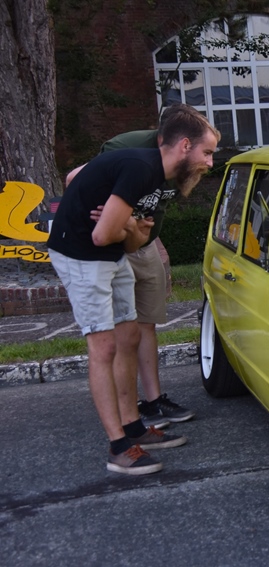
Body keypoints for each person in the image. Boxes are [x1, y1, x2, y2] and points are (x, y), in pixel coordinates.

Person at [47, 108, 220, 475]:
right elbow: (100, 235)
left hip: (113, 254)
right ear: (184, 145)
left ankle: (134, 426)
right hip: (80, 254)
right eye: (206, 153)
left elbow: (133, 241)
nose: (210, 162)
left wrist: (126, 226)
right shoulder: (140, 168)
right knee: (104, 347)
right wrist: (127, 225)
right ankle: (119, 447)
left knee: (128, 336)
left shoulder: (160, 178)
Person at [65, 105, 202, 430]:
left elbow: (155, 203)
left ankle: (154, 402)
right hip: (111, 245)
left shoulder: (184, 161)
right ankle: (126, 414)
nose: (207, 157)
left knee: (146, 324)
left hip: (145, 244)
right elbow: (73, 179)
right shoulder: (128, 148)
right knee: (118, 333)